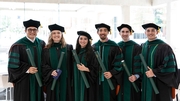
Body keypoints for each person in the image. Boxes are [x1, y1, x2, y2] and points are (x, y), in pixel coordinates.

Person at [8, 19, 45, 101]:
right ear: (25, 30)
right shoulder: (17, 45)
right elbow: (12, 66)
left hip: (38, 80)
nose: (32, 32)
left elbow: (45, 61)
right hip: (24, 81)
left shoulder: (41, 44)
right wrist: (27, 69)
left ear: (37, 31)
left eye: (34, 29)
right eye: (29, 29)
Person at [140, 23, 179, 101]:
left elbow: (169, 65)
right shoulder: (143, 46)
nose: (150, 32)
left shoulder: (164, 47)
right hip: (146, 81)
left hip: (160, 82)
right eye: (148, 30)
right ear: (145, 33)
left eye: (153, 30)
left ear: (157, 32)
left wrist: (154, 72)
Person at [41, 24, 73, 101]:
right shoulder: (46, 49)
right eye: (54, 33)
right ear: (51, 35)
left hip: (66, 80)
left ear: (61, 35)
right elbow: (43, 64)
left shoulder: (69, 48)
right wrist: (51, 71)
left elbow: (72, 64)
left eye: (58, 33)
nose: (56, 35)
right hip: (52, 80)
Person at [92, 23, 123, 101]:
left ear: (108, 32)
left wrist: (111, 73)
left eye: (105, 30)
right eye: (100, 30)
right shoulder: (94, 47)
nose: (103, 32)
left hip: (110, 79)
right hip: (96, 80)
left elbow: (119, 63)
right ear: (97, 32)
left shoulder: (114, 46)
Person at [116, 24, 141, 101]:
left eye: (127, 31)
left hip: (132, 79)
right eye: (122, 31)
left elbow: (139, 63)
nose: (125, 33)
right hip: (119, 79)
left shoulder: (136, 47)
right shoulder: (116, 46)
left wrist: (136, 76)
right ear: (120, 33)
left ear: (130, 33)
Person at [73, 31, 99, 101]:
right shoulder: (74, 53)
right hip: (76, 81)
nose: (83, 41)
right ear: (78, 40)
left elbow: (96, 69)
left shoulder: (92, 53)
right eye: (81, 38)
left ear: (88, 41)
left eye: (85, 39)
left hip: (87, 82)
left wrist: (86, 69)